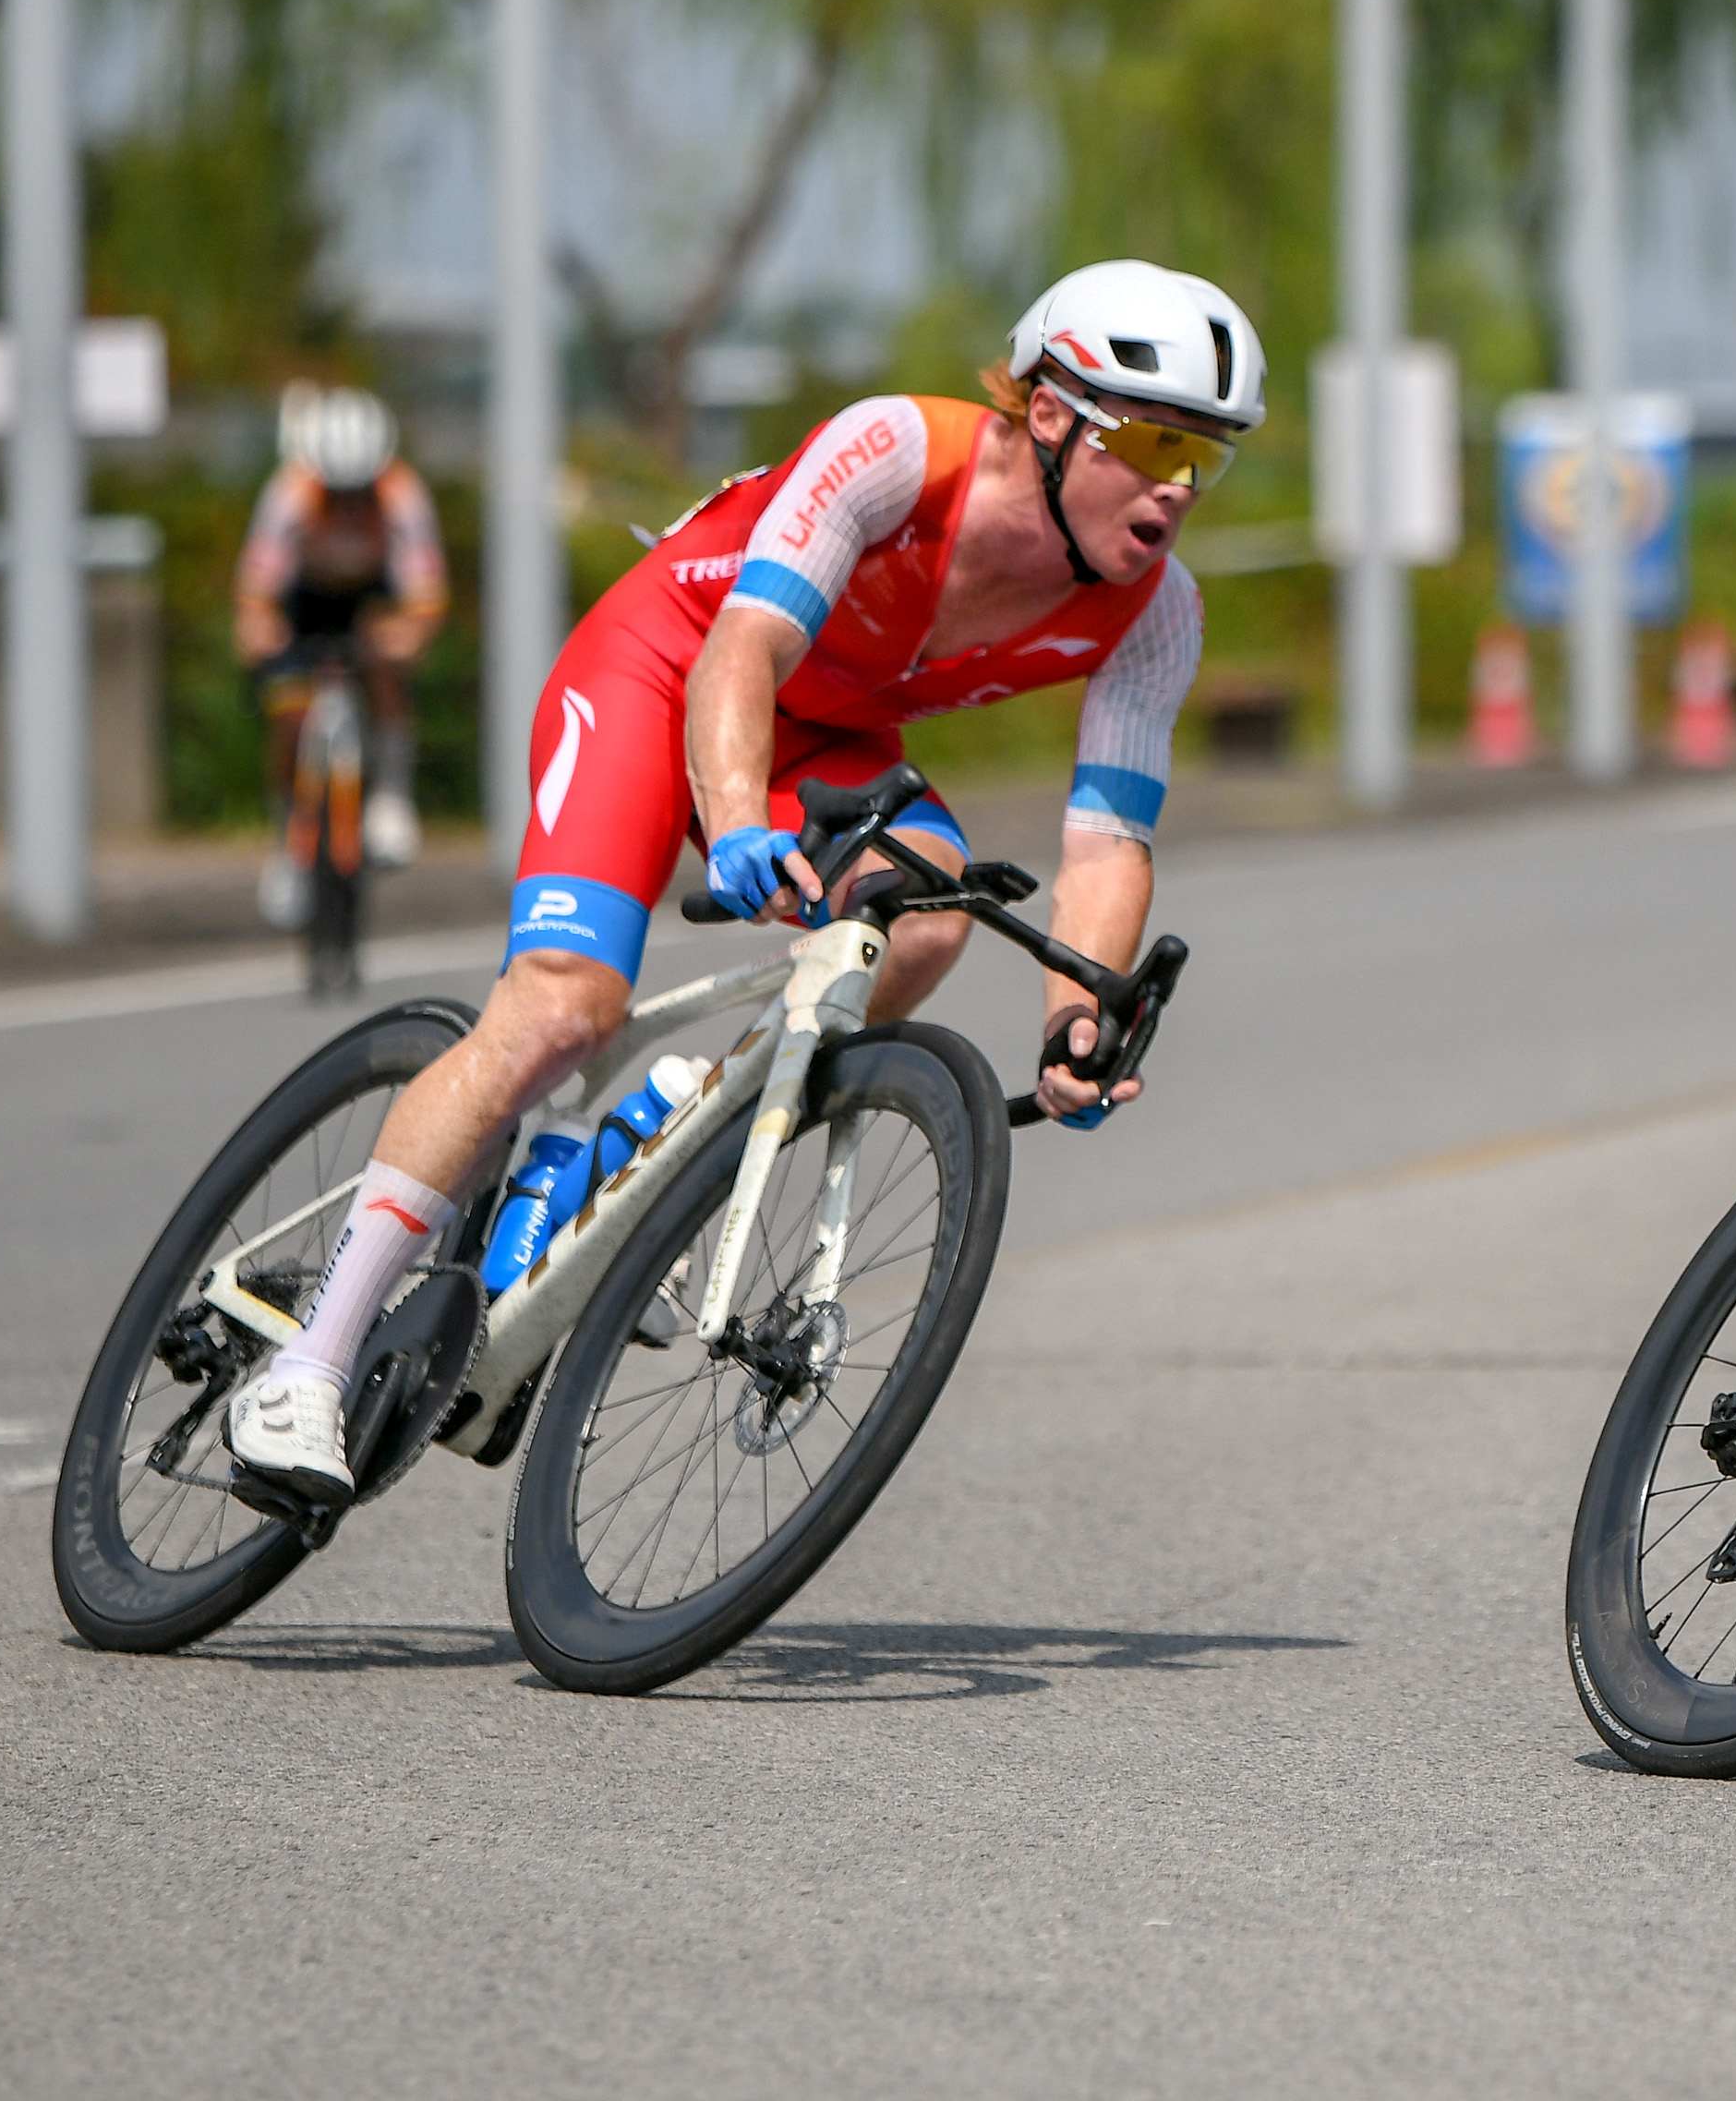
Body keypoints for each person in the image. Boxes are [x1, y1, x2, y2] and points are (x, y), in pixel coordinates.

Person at [223, 262, 1260, 1507]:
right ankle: (308, 1365)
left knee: (929, 919)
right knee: (562, 1010)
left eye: (1205, 459)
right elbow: (744, 649)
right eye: (1151, 443)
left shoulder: (1156, 613)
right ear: (1048, 412)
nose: (1174, 487)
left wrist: (1076, 1021)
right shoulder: (896, 452)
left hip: (826, 738)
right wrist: (730, 827)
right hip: (666, 668)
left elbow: (1105, 844)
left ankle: (664, 1130)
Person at [234, 386, 451, 922]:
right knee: (289, 713)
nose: (351, 504)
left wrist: (411, 631)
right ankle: (290, 843)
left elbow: (425, 589)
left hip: (371, 598)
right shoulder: (290, 493)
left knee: (386, 658)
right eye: (338, 492)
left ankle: (392, 796)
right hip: (305, 601)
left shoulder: (402, 495)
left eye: (361, 491)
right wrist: (258, 624)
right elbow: (258, 582)